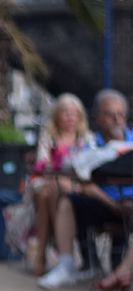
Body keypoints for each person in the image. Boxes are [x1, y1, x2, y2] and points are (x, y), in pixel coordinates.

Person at [38, 90, 133, 290]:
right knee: (68, 200)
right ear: (98, 118)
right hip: (106, 204)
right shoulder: (89, 148)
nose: (117, 119)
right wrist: (113, 205)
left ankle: (121, 271)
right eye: (110, 114)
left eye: (121, 114)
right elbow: (82, 182)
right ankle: (66, 266)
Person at [29, 94, 96, 276]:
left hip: (74, 185)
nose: (70, 117)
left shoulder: (87, 138)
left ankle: (43, 257)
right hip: (49, 182)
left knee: (48, 194)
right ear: (57, 115)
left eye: (74, 114)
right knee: (51, 189)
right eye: (66, 113)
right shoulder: (48, 137)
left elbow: (89, 166)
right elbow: (43, 165)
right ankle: (62, 254)